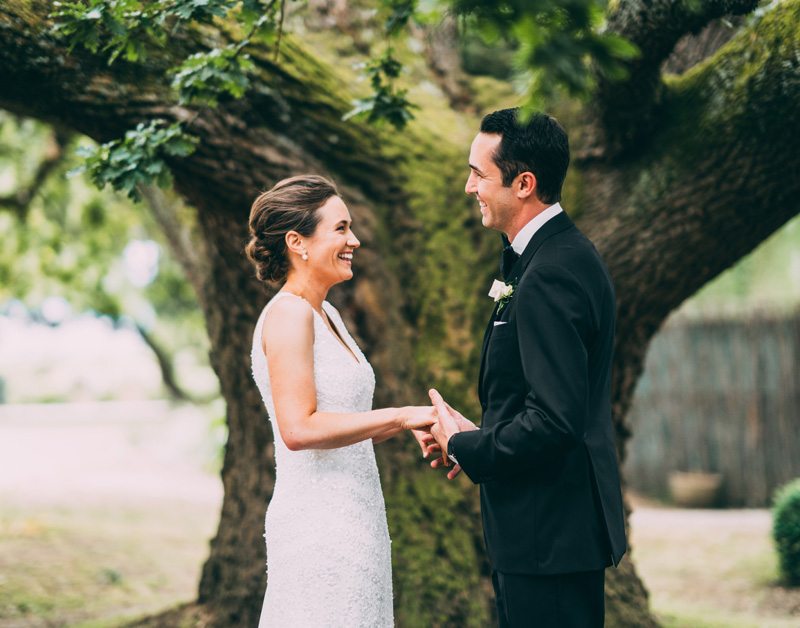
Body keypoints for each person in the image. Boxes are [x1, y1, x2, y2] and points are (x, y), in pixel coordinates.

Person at [426, 109, 627, 627]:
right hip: (543, 536)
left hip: (549, 539)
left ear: (524, 184)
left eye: (478, 173)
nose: (468, 186)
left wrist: (465, 447)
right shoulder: (548, 256)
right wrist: (479, 431)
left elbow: (556, 421)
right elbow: (546, 402)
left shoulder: (550, 272)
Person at [245, 174, 435, 627]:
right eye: (341, 228)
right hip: (320, 527)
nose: (355, 240)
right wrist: (403, 415)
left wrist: (406, 427)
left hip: (358, 515)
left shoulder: (325, 312)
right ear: (298, 242)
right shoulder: (289, 314)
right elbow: (299, 429)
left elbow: (342, 423)